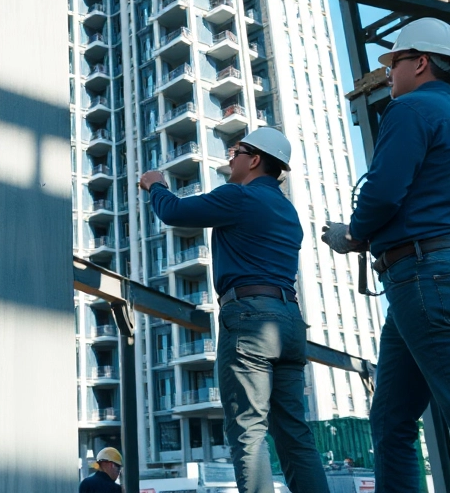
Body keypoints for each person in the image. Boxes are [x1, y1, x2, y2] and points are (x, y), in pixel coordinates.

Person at [321, 18, 450, 493]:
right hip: (444, 275)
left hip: (425, 276)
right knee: (391, 420)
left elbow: (384, 192)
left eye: (393, 62)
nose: (388, 74)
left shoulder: (410, 110)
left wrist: (351, 233)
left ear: (419, 62)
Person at [139, 127, 329, 493]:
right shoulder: (288, 212)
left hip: (249, 320)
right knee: (294, 433)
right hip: (290, 322)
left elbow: (175, 212)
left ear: (255, 159)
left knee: (248, 431)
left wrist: (156, 185)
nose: (230, 156)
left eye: (237, 150)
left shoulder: (239, 198)